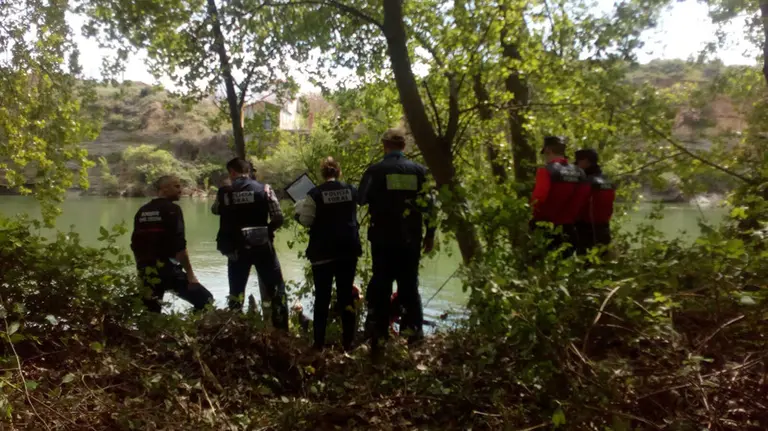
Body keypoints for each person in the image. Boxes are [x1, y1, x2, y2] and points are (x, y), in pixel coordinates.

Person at [358, 128, 436, 353]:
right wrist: (430, 234)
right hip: (410, 240)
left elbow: (361, 199)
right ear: (404, 147)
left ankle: (379, 340)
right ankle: (414, 339)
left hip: (382, 241)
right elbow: (431, 206)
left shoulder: (375, 171)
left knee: (381, 287)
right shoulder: (420, 172)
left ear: (385, 146)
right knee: (410, 288)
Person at [294, 157, 363, 350]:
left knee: (322, 297)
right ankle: (349, 342)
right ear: (338, 172)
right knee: (346, 296)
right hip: (348, 250)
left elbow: (307, 221)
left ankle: (318, 343)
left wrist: (297, 214)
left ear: (322, 174)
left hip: (322, 252)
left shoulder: (314, 193)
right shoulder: (351, 190)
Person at [212, 158, 288, 329]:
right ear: (248, 171)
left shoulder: (224, 192)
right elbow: (278, 217)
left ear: (232, 172)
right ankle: (282, 331)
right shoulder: (265, 189)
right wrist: (267, 231)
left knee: (236, 292)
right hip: (262, 246)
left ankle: (235, 331)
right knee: (276, 290)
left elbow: (215, 210)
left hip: (236, 248)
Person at [131, 175, 213, 313]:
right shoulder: (172, 210)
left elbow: (135, 244)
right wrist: (191, 275)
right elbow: (180, 246)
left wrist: (141, 269)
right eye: (176, 186)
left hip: (147, 270)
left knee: (152, 313)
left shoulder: (142, 210)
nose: (180, 190)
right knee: (205, 300)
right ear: (164, 189)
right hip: (168, 270)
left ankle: (154, 333)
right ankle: (192, 332)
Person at [530, 136, 590, 257]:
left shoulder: (546, 171)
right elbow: (585, 200)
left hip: (546, 230)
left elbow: (538, 199)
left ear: (548, 150)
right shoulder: (580, 173)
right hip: (570, 230)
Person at [575, 148, 616, 253]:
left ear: (586, 162)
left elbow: (577, 206)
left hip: (587, 231)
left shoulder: (586, 182)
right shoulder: (608, 180)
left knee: (586, 264)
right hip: (604, 229)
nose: (577, 165)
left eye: (578, 161)